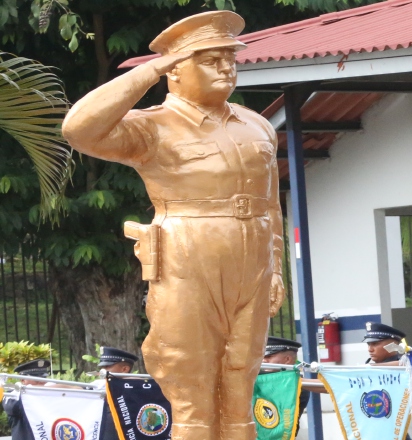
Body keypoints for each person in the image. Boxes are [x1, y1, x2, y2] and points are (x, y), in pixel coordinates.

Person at [61, 11, 285, 440]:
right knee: (191, 381)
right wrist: (148, 71)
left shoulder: (256, 126)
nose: (225, 68)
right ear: (175, 72)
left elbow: (270, 203)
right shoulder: (152, 128)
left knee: (242, 378)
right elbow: (78, 128)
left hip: (252, 260)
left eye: (230, 59)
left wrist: (275, 269)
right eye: (210, 59)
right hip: (187, 256)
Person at [262, 337, 310, 433]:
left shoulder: (296, 385)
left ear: (287, 359)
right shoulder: (259, 376)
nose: (263, 361)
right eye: (262, 357)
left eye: (268, 357)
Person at [91, 347, 139, 440]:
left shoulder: (137, 385)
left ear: (124, 369)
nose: (102, 371)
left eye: (107, 367)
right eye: (102, 367)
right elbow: (79, 388)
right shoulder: (101, 383)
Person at [2, 359, 50, 440]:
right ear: (23, 380)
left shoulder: (51, 391)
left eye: (44, 378)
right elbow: (14, 407)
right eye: (37, 380)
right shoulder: (12, 393)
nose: (42, 382)